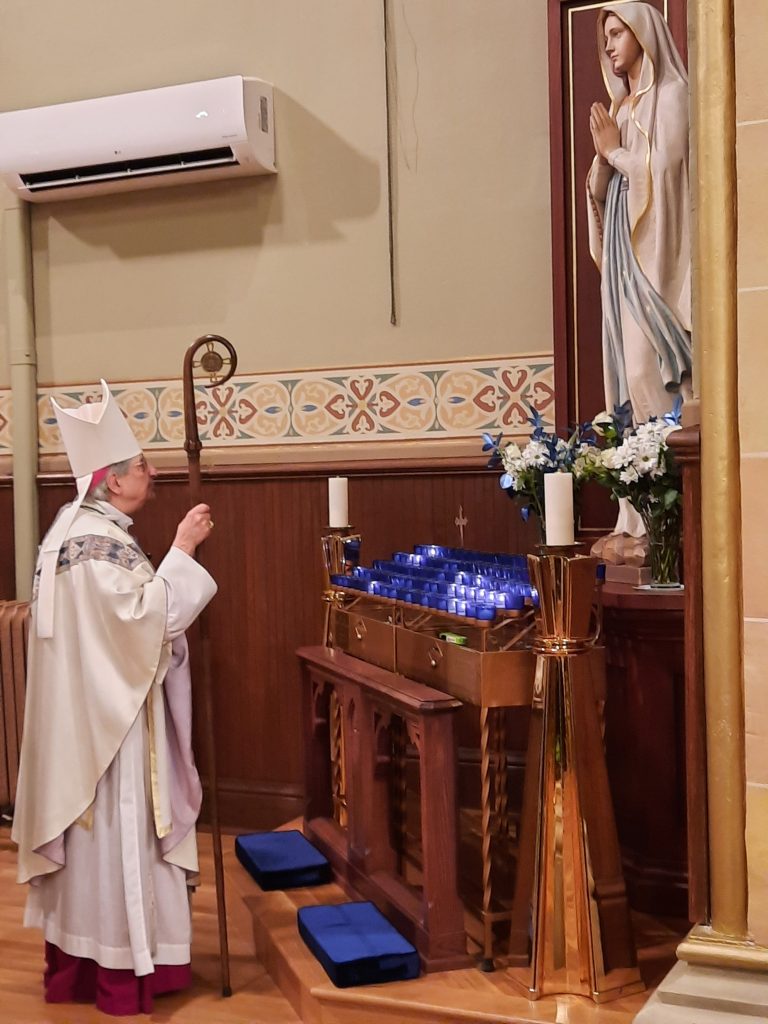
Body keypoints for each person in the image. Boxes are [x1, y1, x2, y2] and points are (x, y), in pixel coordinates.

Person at [12, 380, 217, 1016]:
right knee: (116, 836)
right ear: (108, 479)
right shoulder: (94, 543)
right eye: (140, 467)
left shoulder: (74, 530)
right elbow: (140, 624)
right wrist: (182, 552)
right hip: (111, 728)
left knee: (93, 847)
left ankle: (85, 964)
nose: (151, 474)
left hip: (92, 715)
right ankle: (118, 972)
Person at [586, 1, 693, 542]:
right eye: (605, 36)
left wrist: (616, 154)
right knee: (625, 378)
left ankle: (670, 509)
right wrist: (602, 167)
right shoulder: (624, 109)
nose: (608, 46)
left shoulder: (673, 97)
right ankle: (641, 511)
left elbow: (666, 171)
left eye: (615, 33)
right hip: (624, 256)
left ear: (644, 35)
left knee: (646, 369)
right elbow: (605, 192)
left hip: (654, 256)